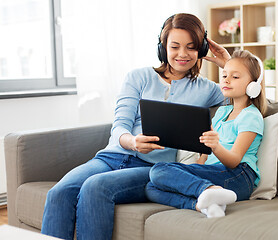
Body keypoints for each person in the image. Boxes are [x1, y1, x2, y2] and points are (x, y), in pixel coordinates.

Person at [41, 13, 231, 240]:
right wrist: (132, 141)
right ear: (163, 49)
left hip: (151, 169)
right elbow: (120, 125)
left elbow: (249, 104)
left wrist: (227, 65)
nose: (182, 54)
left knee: (95, 187)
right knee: (59, 193)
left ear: (201, 49)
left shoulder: (207, 89)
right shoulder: (138, 77)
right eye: (175, 46)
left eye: (191, 47)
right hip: (111, 157)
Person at [145, 49, 268, 218]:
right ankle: (203, 206)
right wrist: (191, 170)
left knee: (159, 170)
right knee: (151, 187)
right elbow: (204, 154)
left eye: (235, 77)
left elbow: (233, 161)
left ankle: (209, 190)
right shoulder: (222, 112)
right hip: (214, 172)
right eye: (224, 75)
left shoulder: (251, 116)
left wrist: (215, 146)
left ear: (253, 85)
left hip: (238, 176)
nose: (227, 80)